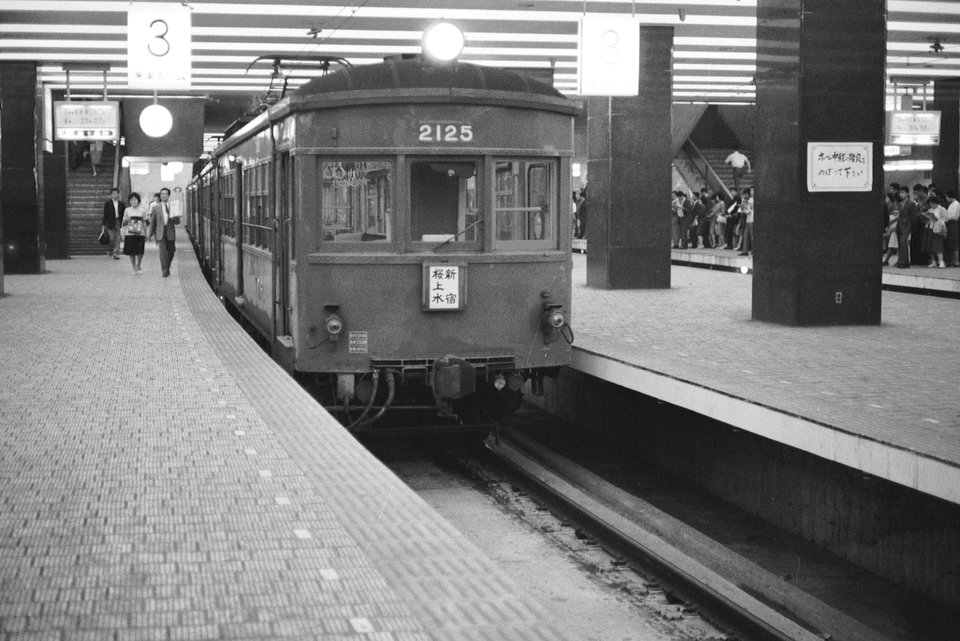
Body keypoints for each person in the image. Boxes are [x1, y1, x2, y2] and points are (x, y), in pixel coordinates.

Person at [148, 187, 180, 278]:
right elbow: (152, 222)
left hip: (170, 231)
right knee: (162, 253)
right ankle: (164, 271)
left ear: (168, 195)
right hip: (160, 232)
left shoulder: (173, 206)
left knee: (172, 250)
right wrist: (149, 234)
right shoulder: (156, 207)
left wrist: (174, 217)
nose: (163, 195)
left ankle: (167, 267)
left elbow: (177, 222)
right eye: (162, 194)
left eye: (165, 194)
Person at [121, 192, 147, 275]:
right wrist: (127, 221)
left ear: (138, 200)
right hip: (130, 233)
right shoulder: (127, 210)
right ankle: (133, 268)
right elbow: (123, 222)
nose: (133, 201)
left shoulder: (143, 210)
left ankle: (138, 265)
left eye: (135, 199)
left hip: (140, 233)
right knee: (131, 252)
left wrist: (146, 233)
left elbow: (144, 222)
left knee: (140, 251)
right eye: (131, 200)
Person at [895, 184, 918, 268]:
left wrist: (912, 228)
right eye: (900, 192)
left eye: (903, 192)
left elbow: (914, 217)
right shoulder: (901, 203)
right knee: (900, 244)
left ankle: (904, 262)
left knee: (903, 243)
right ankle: (902, 261)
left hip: (907, 226)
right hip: (900, 226)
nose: (901, 194)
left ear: (907, 193)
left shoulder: (911, 204)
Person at [101, 186, 125, 260]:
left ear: (118, 194)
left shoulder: (122, 204)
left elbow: (124, 214)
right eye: (113, 193)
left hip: (118, 221)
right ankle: (110, 249)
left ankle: (116, 253)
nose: (115, 195)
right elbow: (105, 214)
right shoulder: (107, 203)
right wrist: (104, 224)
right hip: (110, 222)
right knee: (111, 238)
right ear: (111, 195)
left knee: (118, 237)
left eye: (116, 193)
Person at [944, 190, 960, 267]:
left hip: (953, 222)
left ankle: (957, 260)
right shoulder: (951, 204)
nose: (946, 198)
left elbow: (953, 215)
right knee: (950, 241)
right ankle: (952, 260)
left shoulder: (956, 204)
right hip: (949, 223)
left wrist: (946, 218)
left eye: (947, 197)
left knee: (954, 241)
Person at [738, 187, 754, 256]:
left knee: (752, 236)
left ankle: (753, 251)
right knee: (746, 236)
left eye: (752, 190)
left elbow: (749, 210)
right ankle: (745, 251)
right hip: (748, 220)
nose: (751, 192)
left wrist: (743, 209)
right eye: (751, 190)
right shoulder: (748, 200)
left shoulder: (751, 200)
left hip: (752, 220)